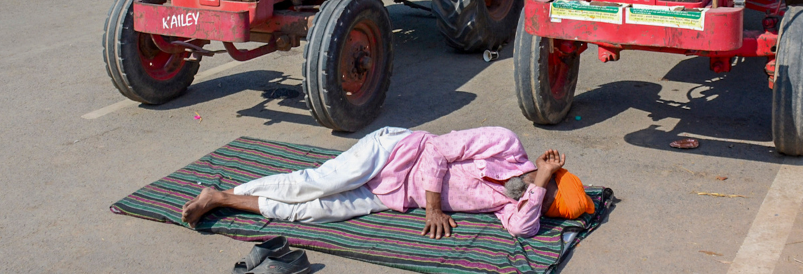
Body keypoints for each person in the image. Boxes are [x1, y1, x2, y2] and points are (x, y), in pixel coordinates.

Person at [180, 126, 593, 238]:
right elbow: (435, 151)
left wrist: (536, 185)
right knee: (315, 185)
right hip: (394, 151)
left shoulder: (511, 206)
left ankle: (219, 198)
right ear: (550, 170)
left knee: (310, 214)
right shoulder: (504, 142)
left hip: (392, 195)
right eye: (545, 190)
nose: (532, 197)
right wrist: (434, 208)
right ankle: (222, 192)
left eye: (540, 198)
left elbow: (523, 227)